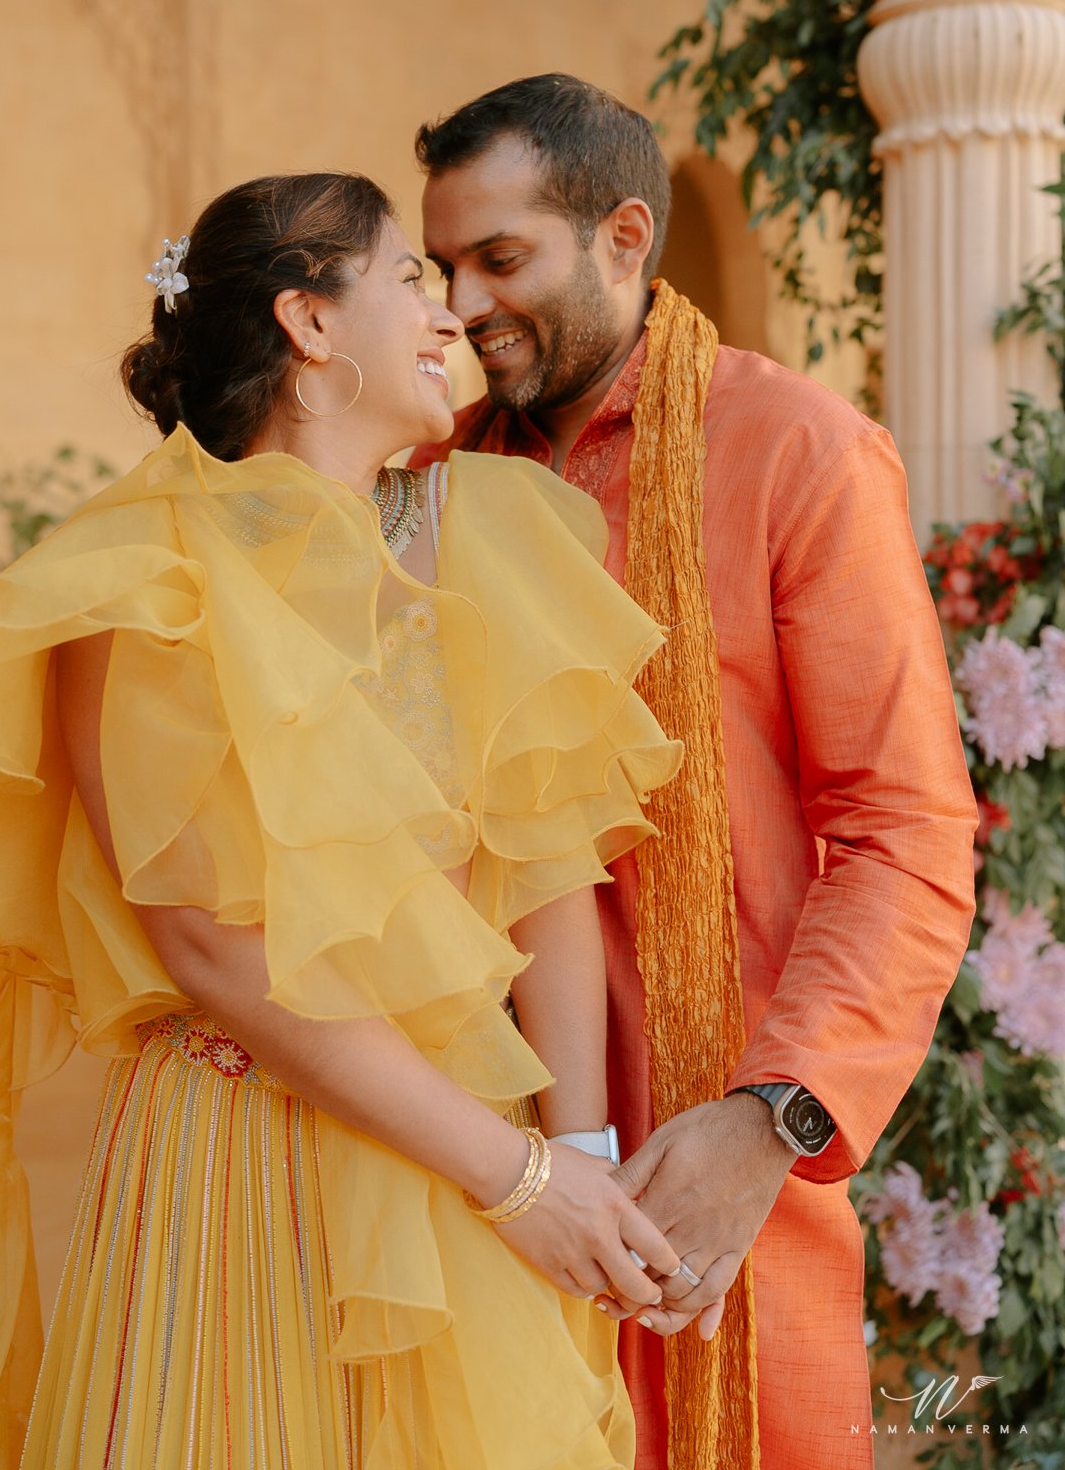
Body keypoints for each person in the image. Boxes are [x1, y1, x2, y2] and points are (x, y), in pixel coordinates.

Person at [0, 170, 698, 1470]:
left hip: (473, 1157)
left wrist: (578, 1164)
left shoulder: (488, 533)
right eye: (410, 280)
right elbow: (206, 945)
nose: (450, 316)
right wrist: (517, 1179)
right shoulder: (144, 577)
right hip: (235, 1154)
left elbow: (545, 866)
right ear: (311, 324)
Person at [412, 76, 979, 1470]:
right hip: (477, 1151)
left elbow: (906, 830)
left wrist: (772, 1119)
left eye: (499, 259)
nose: (462, 304)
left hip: (715, 1153)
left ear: (622, 237)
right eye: (441, 268)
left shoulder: (799, 454)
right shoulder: (432, 478)